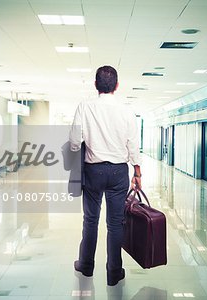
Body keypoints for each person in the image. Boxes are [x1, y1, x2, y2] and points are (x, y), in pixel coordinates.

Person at [69, 65, 142, 286]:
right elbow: (133, 144)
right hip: (119, 172)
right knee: (115, 223)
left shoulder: (85, 106)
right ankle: (114, 271)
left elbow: (74, 143)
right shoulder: (126, 110)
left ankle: (86, 265)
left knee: (90, 220)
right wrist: (137, 171)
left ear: (95, 85)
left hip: (93, 171)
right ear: (117, 86)